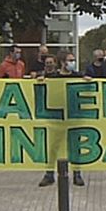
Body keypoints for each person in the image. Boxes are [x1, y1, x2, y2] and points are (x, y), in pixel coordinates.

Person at [38, 53, 87, 187]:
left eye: (73, 60)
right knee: (53, 146)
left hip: (73, 117)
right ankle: (49, 173)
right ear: (62, 63)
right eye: (70, 60)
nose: (73, 62)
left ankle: (77, 173)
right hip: (56, 118)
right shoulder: (53, 77)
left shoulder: (78, 76)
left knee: (74, 146)